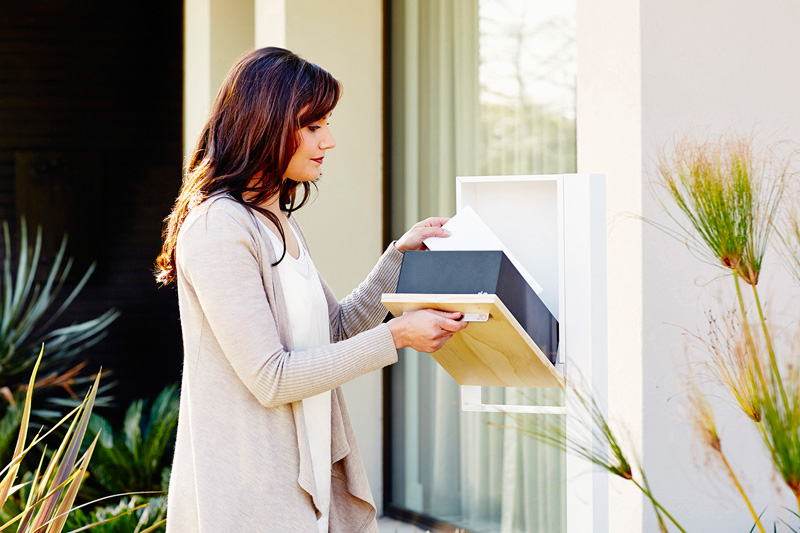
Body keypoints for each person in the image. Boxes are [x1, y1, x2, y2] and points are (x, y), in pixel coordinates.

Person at [155, 47, 468, 532]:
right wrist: (399, 336)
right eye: (314, 125)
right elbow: (271, 377)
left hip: (305, 488)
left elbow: (335, 330)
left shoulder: (277, 221)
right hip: (248, 500)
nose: (329, 140)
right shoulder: (220, 227)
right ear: (268, 124)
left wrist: (399, 259)